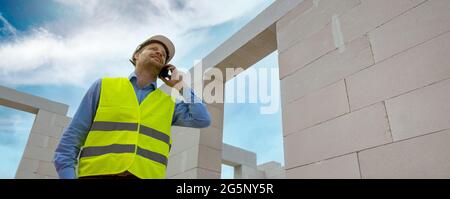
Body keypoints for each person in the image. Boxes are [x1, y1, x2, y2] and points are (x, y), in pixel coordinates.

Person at [53, 35, 211, 179]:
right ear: (136, 55)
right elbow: (70, 142)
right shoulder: (103, 86)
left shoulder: (168, 103)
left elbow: (202, 119)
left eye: (163, 54)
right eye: (153, 49)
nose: (160, 53)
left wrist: (180, 85)